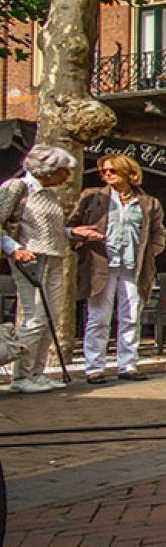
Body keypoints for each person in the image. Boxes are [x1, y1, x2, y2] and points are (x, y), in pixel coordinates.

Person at [66, 154, 166, 384]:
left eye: (112, 170)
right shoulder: (92, 197)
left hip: (134, 265)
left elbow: (158, 232)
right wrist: (81, 238)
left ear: (128, 173)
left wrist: (153, 251)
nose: (107, 175)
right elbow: (73, 225)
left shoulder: (149, 203)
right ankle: (94, 367)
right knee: (99, 318)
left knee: (131, 316)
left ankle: (128, 365)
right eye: (104, 171)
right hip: (101, 263)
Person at [1, 147, 78, 393]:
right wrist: (14, 249)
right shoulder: (17, 188)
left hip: (55, 257)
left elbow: (48, 229)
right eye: (65, 170)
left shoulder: (50, 194)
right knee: (35, 317)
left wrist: (72, 233)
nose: (69, 176)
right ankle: (21, 377)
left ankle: (37, 372)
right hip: (30, 259)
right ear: (49, 170)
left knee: (51, 317)